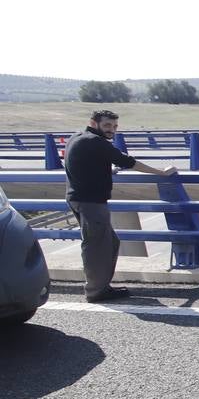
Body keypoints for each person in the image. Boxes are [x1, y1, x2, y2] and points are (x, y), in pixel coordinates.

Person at [63, 109, 178, 302]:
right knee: (97, 247)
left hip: (79, 198)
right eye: (107, 125)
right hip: (91, 202)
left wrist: (108, 170)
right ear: (94, 123)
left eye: (115, 126)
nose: (112, 130)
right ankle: (96, 291)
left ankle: (100, 287)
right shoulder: (96, 142)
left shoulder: (77, 137)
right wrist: (161, 172)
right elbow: (129, 162)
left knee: (108, 243)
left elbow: (84, 163)